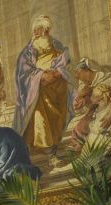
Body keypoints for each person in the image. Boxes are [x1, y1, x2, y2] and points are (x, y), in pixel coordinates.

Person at [12, 14, 74, 155]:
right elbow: (23, 70)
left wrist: (58, 73)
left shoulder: (55, 43)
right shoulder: (29, 50)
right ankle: (46, 144)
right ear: (36, 30)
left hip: (57, 82)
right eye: (41, 29)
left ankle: (54, 141)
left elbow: (66, 58)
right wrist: (41, 76)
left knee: (58, 113)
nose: (44, 32)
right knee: (40, 109)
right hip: (40, 85)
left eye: (47, 29)